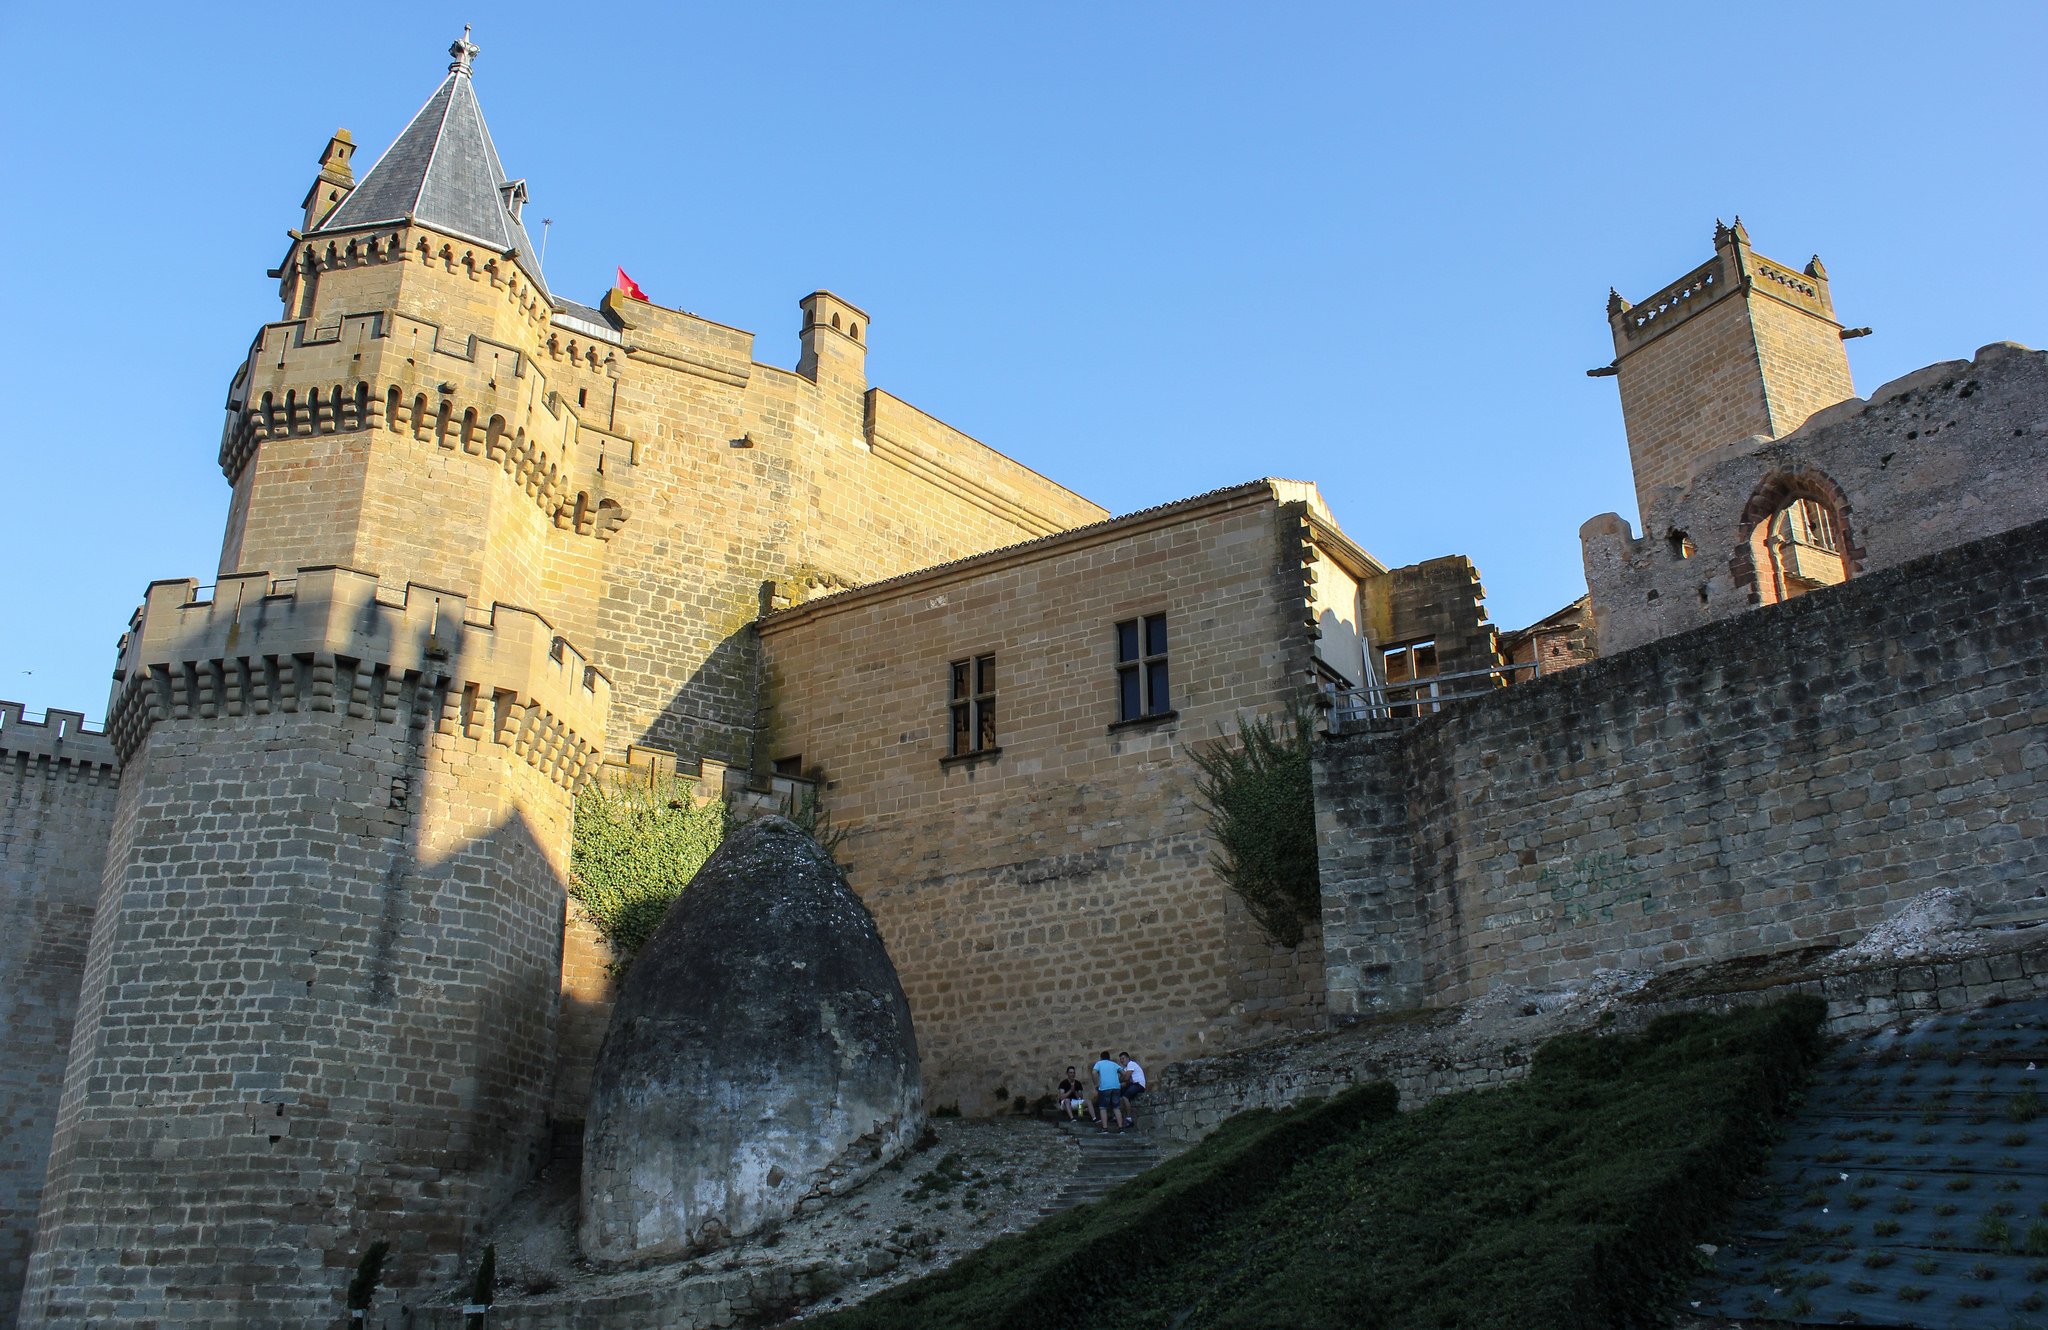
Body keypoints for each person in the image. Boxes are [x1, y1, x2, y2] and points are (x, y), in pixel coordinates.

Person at [1092, 1048, 1125, 1131]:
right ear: (1109, 1057)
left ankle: (1105, 1128)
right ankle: (1121, 1128)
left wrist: (1096, 1084)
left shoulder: (1099, 1063)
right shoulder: (1114, 1064)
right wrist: (1119, 1081)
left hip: (1104, 1087)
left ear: (1101, 1057)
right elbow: (1123, 1073)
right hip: (1116, 1087)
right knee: (1116, 1107)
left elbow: (1094, 1072)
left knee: (1103, 1108)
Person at [1119, 1051, 1147, 1126]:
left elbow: (1126, 1077)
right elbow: (1124, 1079)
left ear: (1128, 1058)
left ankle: (1129, 1118)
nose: (1122, 1060)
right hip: (1133, 1084)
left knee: (1125, 1097)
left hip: (1139, 1085)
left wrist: (1120, 1080)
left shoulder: (1131, 1064)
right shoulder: (1126, 1068)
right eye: (1121, 1059)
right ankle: (1117, 1115)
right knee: (1117, 1092)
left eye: (1123, 1058)